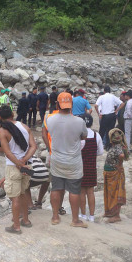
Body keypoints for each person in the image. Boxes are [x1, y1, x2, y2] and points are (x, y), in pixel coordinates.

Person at [45, 92, 88, 227]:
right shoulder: (79, 122)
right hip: (73, 161)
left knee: (56, 188)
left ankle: (55, 217)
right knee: (74, 190)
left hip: (57, 159)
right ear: (71, 105)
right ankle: (75, 220)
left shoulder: (49, 119)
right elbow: (84, 137)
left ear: (57, 104)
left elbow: (47, 134)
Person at [0, 105, 37, 234]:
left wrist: (18, 164)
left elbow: (8, 153)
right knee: (23, 193)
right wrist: (24, 160)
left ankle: (16, 226)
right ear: (12, 115)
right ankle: (26, 220)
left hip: (13, 167)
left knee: (15, 197)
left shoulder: (2, 131)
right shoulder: (25, 127)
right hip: (26, 166)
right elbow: (33, 147)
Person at [79, 114, 104, 222]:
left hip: (80, 166)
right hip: (91, 166)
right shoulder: (96, 135)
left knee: (81, 192)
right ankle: (92, 216)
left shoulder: (78, 136)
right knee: (90, 191)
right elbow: (101, 152)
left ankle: (83, 214)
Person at [104, 128, 129, 223]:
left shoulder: (118, 147)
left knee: (115, 193)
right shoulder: (117, 146)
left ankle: (116, 215)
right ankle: (110, 212)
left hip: (114, 173)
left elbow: (122, 156)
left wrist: (119, 165)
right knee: (111, 193)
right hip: (110, 174)